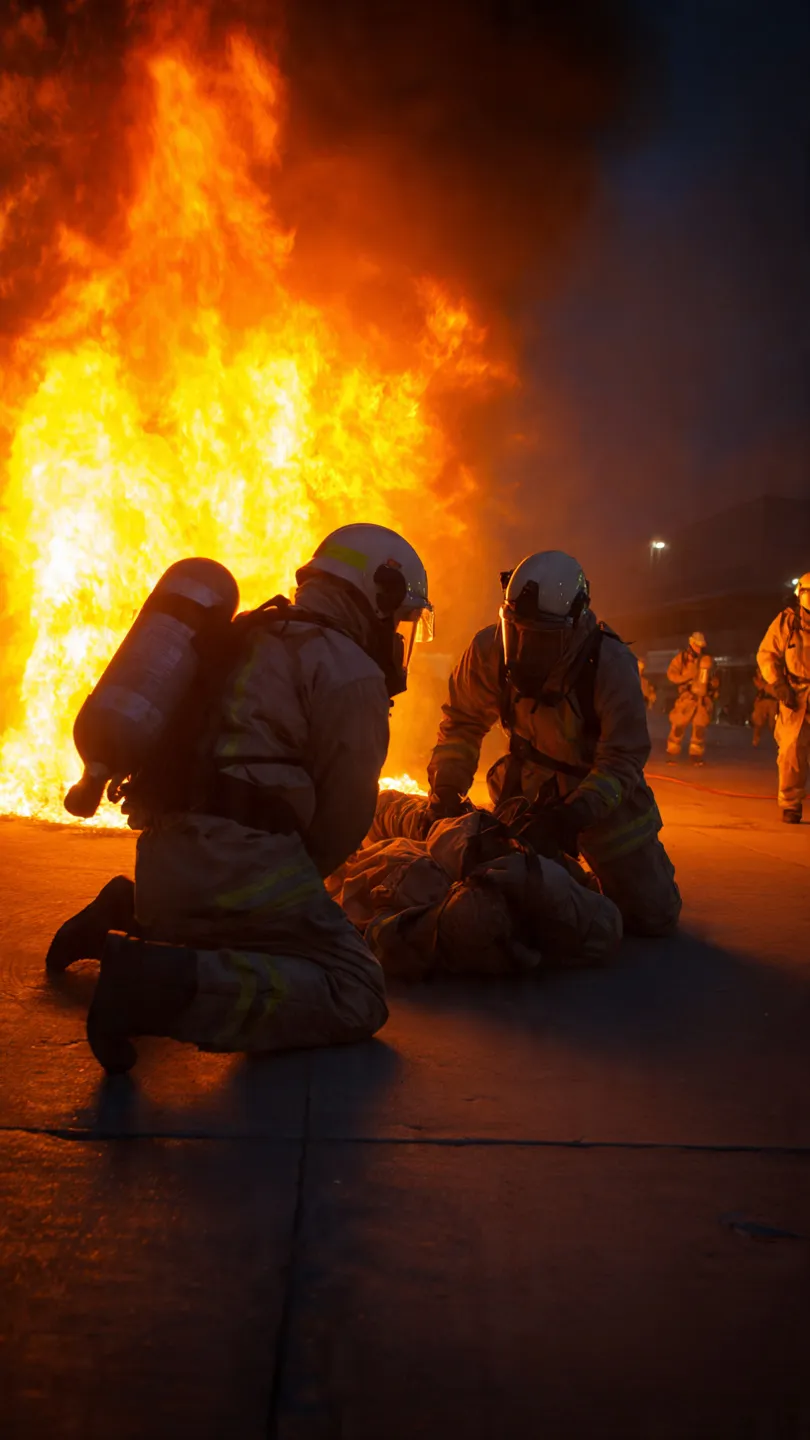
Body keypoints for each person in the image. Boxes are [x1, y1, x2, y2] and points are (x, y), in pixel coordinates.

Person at [46, 523, 433, 1072]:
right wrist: (301, 888)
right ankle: (153, 991)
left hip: (163, 860)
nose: (397, 632)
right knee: (355, 989)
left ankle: (132, 912)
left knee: (261, 930)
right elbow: (345, 820)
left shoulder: (247, 632)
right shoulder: (349, 671)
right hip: (242, 869)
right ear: (379, 594)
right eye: (399, 616)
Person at [421, 551, 681, 937]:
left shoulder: (609, 663)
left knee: (651, 917)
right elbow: (462, 723)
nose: (524, 649)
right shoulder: (489, 650)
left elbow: (621, 759)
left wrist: (573, 815)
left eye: (540, 638)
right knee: (510, 897)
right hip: (526, 789)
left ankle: (588, 882)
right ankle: (568, 881)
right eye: (517, 631)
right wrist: (446, 785)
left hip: (596, 793)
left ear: (574, 624)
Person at [327, 788, 623, 980]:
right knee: (396, 814)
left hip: (417, 871)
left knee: (390, 822)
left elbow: (388, 933)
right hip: (434, 856)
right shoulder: (542, 882)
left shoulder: (476, 915)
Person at [757, 573, 810, 823]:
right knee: (791, 750)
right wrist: (778, 684)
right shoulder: (787, 622)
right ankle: (791, 804)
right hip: (795, 695)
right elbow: (767, 654)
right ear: (801, 595)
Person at [666, 632, 719, 765]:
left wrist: (713, 686)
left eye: (701, 646)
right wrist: (687, 676)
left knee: (700, 729)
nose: (699, 649)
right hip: (687, 697)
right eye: (697, 645)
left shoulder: (707, 660)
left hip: (702, 699)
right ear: (691, 643)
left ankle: (696, 755)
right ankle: (672, 753)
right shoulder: (681, 658)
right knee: (678, 725)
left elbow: (715, 677)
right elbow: (671, 674)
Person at [751, 667, 779, 748]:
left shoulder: (774, 674)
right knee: (758, 722)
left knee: (773, 722)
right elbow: (758, 685)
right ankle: (756, 739)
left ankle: (778, 741)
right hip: (762, 700)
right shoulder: (758, 677)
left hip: (773, 701)